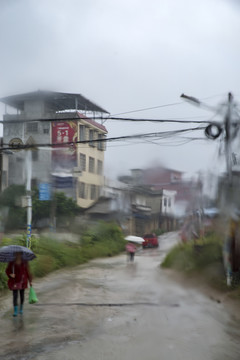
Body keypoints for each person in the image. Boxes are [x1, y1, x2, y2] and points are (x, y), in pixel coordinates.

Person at [6, 252, 32, 317]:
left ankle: (21, 309)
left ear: (21, 254)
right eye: (16, 254)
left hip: (23, 281)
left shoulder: (25, 262)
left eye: (19, 254)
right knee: (15, 296)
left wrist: (30, 281)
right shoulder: (11, 262)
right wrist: (10, 274)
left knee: (22, 295)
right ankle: (15, 311)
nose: (18, 255)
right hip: (14, 282)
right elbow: (7, 270)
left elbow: (28, 272)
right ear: (14, 254)